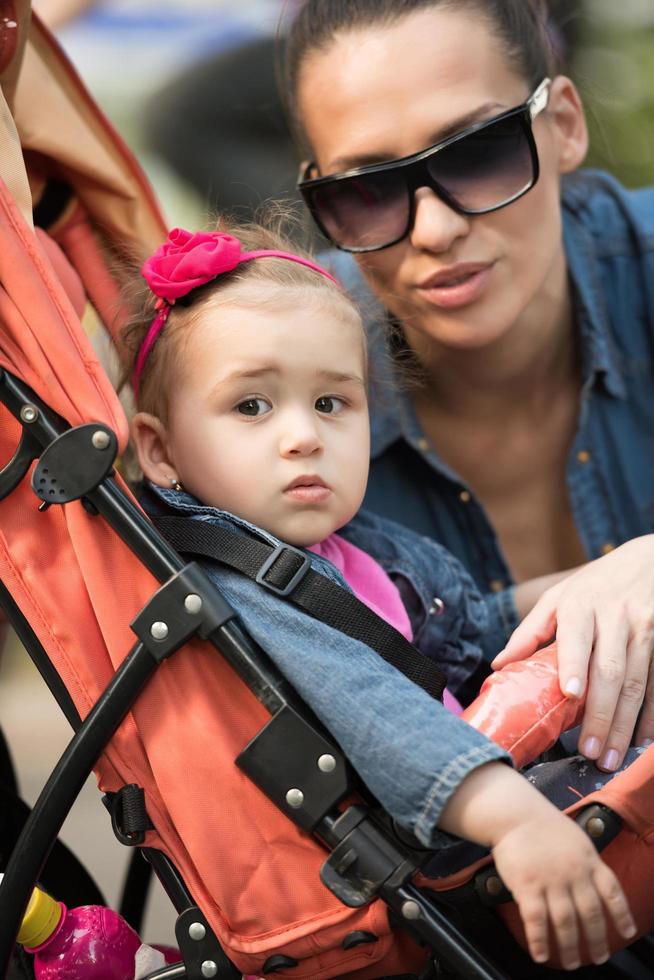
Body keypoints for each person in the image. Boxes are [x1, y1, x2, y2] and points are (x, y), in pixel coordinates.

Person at [121, 222, 638, 972]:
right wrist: (520, 822)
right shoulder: (242, 587)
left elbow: (461, 632)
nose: (303, 436)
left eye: (332, 403)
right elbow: (375, 709)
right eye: (253, 408)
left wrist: (587, 591)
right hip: (449, 842)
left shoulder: (352, 551)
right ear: (161, 450)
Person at [283, 0, 654, 775]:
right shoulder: (274, 401)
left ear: (564, 127)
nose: (433, 230)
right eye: (366, 191)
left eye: (477, 151)